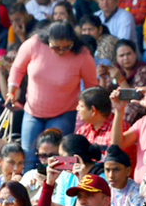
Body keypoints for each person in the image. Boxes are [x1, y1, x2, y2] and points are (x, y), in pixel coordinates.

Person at [8, 22, 97, 171]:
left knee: (57, 160)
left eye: (66, 47)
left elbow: (91, 87)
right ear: (47, 41)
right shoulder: (34, 44)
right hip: (32, 112)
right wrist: (11, 92)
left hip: (63, 114)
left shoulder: (82, 54)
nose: (61, 51)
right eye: (55, 47)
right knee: (28, 158)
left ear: (73, 43)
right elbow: (17, 68)